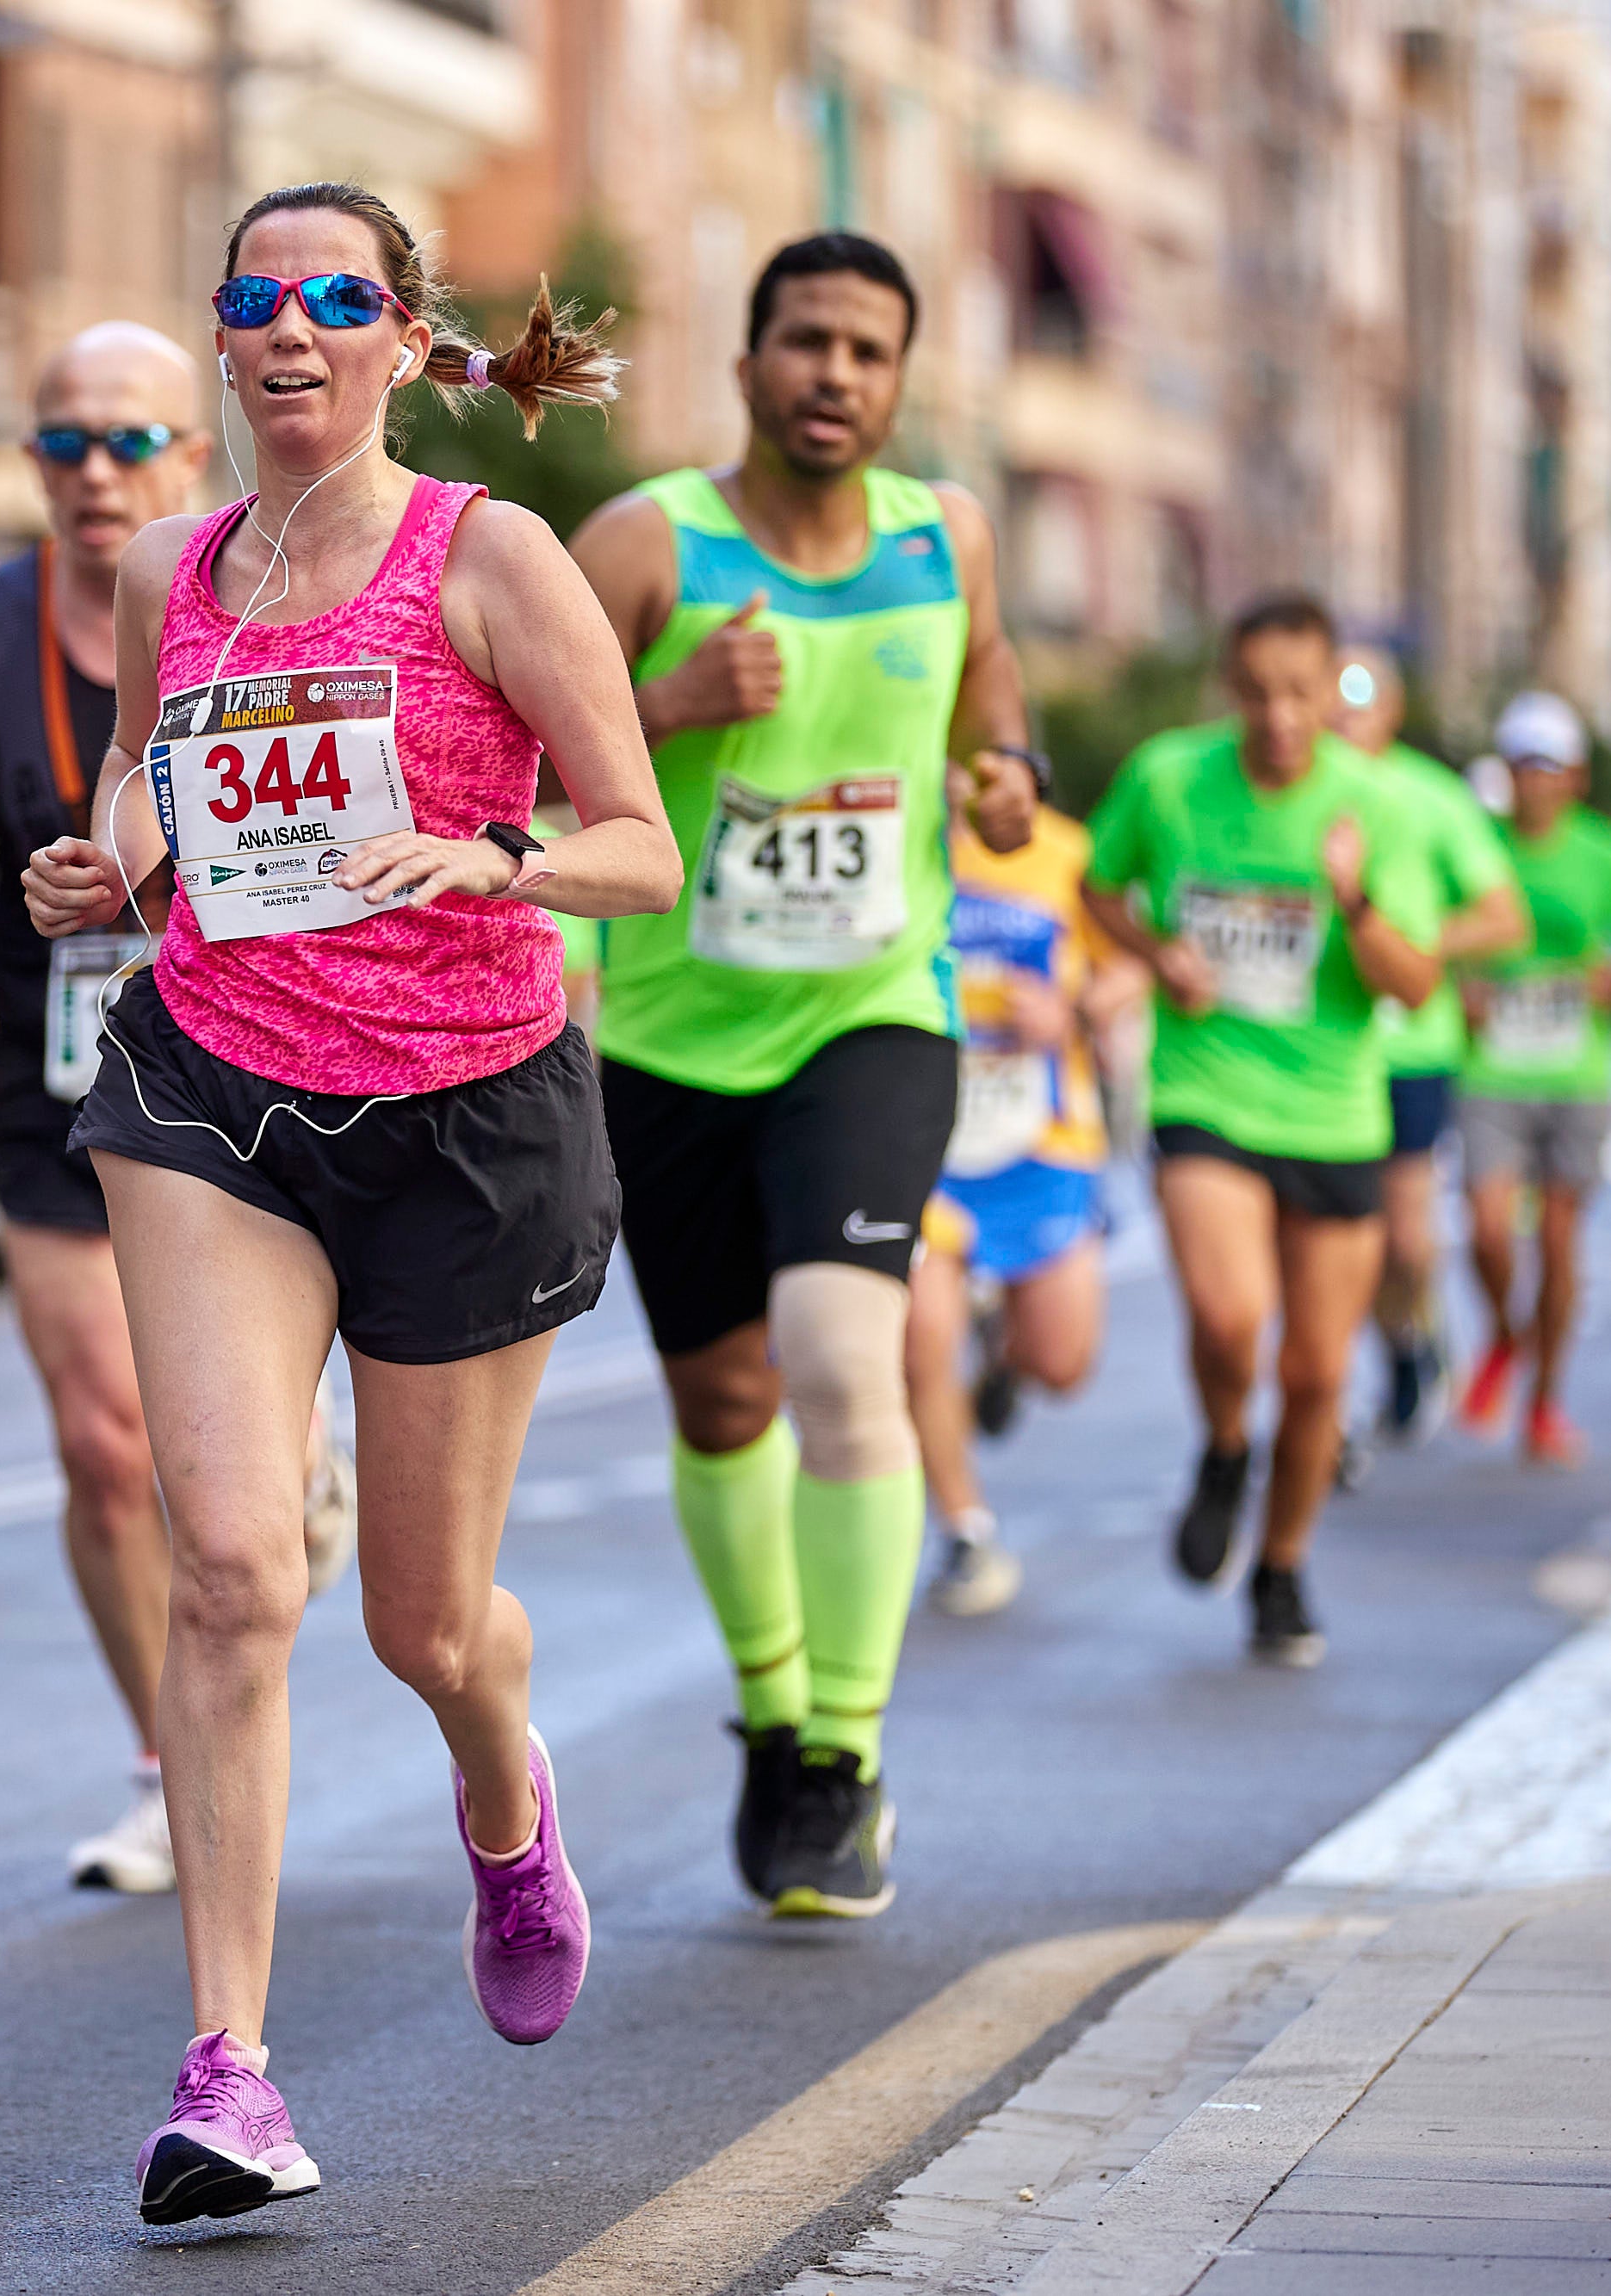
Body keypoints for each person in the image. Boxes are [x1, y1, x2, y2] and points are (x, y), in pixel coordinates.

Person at [19, 182, 671, 2224]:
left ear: (403, 338)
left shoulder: (493, 556)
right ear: (217, 335)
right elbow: (144, 770)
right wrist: (100, 856)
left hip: (464, 1116)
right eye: (254, 298)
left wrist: (496, 865)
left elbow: (638, 845)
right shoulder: (163, 567)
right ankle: (231, 2074)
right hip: (212, 1089)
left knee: (421, 1621)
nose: (289, 330)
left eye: (336, 299)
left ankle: (503, 1794)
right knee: (224, 1566)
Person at [570, 232, 1041, 1919]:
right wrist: (668, 697)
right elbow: (495, 753)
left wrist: (1003, 772)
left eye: (864, 349)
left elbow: (988, 679)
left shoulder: (943, 536)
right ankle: (770, 1710)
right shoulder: (641, 542)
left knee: (846, 1354)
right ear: (747, 358)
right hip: (665, 1039)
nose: (832, 373)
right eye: (803, 343)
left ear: (894, 377)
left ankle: (839, 1757)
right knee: (721, 1402)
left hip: (871, 1011)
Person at [0, 322, 356, 1895]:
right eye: (64, 442)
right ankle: (170, 1767)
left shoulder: (265, 594)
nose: (97, 472)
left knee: (231, 1469)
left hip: (264, 1071)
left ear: (191, 442)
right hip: (67, 1076)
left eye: (129, 440)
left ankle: (301, 1455)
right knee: (104, 1441)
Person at [1077, 594, 1439, 1667]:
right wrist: (1153, 953)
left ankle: (1281, 1567)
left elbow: (1415, 985)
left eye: (1299, 693)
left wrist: (1355, 897)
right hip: (1209, 1094)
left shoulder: (1378, 803)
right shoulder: (1169, 777)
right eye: (1256, 694)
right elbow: (1098, 887)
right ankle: (1225, 1447)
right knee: (1232, 1318)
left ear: (1332, 692)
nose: (1279, 718)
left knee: (1321, 1376)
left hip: (1334, 1111)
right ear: (1228, 691)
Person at [903, 795, 1142, 1615]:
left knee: (1061, 1363)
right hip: (928, 1138)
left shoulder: (1068, 851)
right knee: (921, 1334)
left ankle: (1004, 1352)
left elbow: (1134, 961)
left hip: (1042, 1142)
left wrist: (1075, 1012)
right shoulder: (899, 838)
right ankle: (966, 1531)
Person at [1449, 690, 1611, 1469]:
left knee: (1564, 1244)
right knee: (1488, 1228)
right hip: (1494, 1066)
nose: (1537, 781)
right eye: (1523, 765)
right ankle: (1507, 1333)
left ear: (1575, 776)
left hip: (1576, 1071)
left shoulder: (1605, 852)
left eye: (1551, 766)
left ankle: (1544, 1404)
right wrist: (1461, 987)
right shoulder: (1476, 844)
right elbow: (1440, 929)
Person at [1329, 646, 1526, 1444]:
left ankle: (1413, 1328)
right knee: (1349, 1233)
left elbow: (1505, 917)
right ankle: (1381, 1362)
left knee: (1405, 1237)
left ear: (1395, 709)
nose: (1348, 718)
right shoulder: (1294, 791)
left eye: (1364, 700)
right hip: (1321, 1047)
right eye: (1334, 701)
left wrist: (1416, 944)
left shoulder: (1433, 798)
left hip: (1411, 1044)